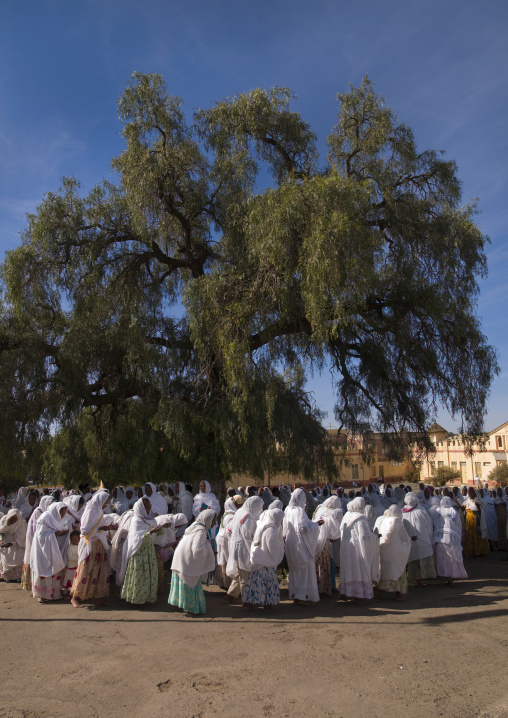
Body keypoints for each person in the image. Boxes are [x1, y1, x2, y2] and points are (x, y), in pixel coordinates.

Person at [70, 490, 118, 608]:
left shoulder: (98, 511)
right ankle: (75, 597)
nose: (106, 505)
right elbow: (85, 530)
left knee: (101, 572)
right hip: (90, 546)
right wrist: (105, 527)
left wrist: (106, 528)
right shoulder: (90, 511)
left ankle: (100, 598)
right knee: (86, 570)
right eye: (105, 502)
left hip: (99, 546)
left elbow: (98, 527)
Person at [169, 509, 216, 616]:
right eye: (213, 521)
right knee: (191, 581)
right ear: (207, 520)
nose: (214, 524)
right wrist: (209, 548)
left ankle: (186, 605)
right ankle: (190, 607)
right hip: (185, 560)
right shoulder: (200, 531)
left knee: (187, 581)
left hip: (181, 558)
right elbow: (197, 549)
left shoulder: (195, 525)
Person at [120, 498, 164, 606]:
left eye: (149, 507)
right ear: (141, 507)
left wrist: (157, 530)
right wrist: (151, 531)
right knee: (139, 575)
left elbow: (149, 533)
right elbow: (136, 538)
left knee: (148, 575)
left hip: (148, 551)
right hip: (139, 552)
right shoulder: (136, 520)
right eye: (147, 507)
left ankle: (146, 598)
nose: (149, 509)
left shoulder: (147, 519)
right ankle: (137, 599)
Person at [283, 488, 321, 606]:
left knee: (295, 570)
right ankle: (301, 597)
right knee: (303, 571)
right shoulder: (299, 511)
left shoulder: (287, 509)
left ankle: (296, 594)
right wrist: (316, 524)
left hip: (290, 543)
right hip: (300, 545)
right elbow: (303, 529)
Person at [242, 508, 284, 611]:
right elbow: (272, 546)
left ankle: (252, 601)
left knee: (256, 583)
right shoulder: (271, 530)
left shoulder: (263, 525)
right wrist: (281, 548)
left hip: (259, 558)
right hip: (266, 561)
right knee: (267, 583)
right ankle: (266, 602)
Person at [339, 497, 379, 601]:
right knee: (359, 570)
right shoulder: (361, 518)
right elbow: (364, 536)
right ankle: (360, 594)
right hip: (357, 549)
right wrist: (375, 537)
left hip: (346, 547)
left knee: (348, 569)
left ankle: (346, 592)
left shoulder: (347, 515)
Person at [226, 496, 263, 604]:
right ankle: (247, 600)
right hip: (243, 548)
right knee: (245, 575)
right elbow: (248, 534)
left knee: (239, 571)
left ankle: (231, 594)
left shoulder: (239, 512)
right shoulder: (248, 516)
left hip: (235, 546)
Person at [31, 502, 69, 602]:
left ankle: (53, 593)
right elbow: (41, 536)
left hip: (53, 549)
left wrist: (64, 531)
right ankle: (43, 595)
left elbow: (60, 527)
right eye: (61, 513)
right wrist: (54, 533)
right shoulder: (45, 517)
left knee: (54, 569)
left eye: (63, 514)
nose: (61, 516)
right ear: (55, 511)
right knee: (43, 570)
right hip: (42, 550)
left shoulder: (55, 520)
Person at [373, 505, 411, 600]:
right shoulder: (398, 521)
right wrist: (409, 541)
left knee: (385, 570)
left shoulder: (384, 520)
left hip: (385, 550)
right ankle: (398, 594)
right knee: (398, 570)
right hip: (396, 551)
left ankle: (380, 589)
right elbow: (404, 536)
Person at [429, 496, 467, 585]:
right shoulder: (454, 511)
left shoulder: (437, 511)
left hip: (440, 538)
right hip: (451, 538)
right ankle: (451, 576)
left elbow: (434, 524)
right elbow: (458, 525)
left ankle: (443, 574)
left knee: (442, 558)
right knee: (452, 558)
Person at [402, 493, 436, 586]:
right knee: (421, 561)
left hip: (409, 541)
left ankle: (411, 579)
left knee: (411, 561)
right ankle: (418, 579)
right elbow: (429, 525)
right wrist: (430, 536)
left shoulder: (402, 512)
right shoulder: (421, 510)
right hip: (422, 540)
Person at [313, 496, 342, 597]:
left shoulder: (320, 510)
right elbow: (334, 538)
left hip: (315, 542)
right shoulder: (332, 514)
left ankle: (317, 587)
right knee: (326, 565)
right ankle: (326, 588)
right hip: (324, 544)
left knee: (318, 565)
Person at [0, 508, 27, 582]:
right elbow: (1, 531)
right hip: (5, 541)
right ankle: (6, 576)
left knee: (18, 557)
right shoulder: (3, 520)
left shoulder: (21, 522)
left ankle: (17, 577)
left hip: (16, 543)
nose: (12, 520)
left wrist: (12, 543)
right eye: (11, 518)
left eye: (15, 519)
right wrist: (1, 540)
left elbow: (21, 537)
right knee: (4, 557)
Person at [463, 488, 489, 558]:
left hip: (476, 521)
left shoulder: (479, 501)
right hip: (469, 521)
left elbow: (481, 513)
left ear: (475, 494)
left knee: (477, 535)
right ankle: (470, 552)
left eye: (472, 493)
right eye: (469, 493)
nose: (471, 494)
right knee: (469, 535)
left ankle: (478, 552)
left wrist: (478, 507)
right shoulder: (467, 501)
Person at [62, 530, 80, 595]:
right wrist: (79, 558)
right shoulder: (70, 547)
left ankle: (74, 591)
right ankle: (65, 591)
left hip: (77, 566)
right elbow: (70, 557)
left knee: (76, 580)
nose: (74, 541)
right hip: (71, 567)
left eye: (75, 539)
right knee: (69, 578)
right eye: (72, 539)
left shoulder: (80, 546)